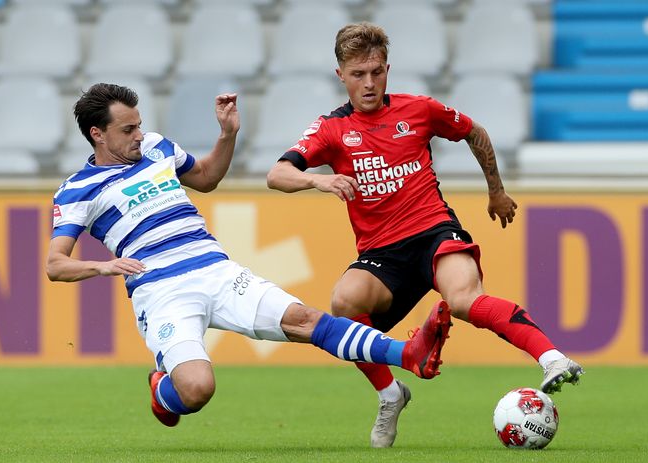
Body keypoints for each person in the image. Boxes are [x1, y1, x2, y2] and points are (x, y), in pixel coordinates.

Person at [46, 83, 449, 430]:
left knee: (304, 320)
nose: (139, 134)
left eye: (139, 124)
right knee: (197, 389)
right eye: (128, 129)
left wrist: (227, 135)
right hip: (161, 289)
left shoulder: (155, 148)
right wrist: (104, 266)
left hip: (215, 269)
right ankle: (161, 389)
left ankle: (407, 354)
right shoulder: (77, 190)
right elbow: (55, 264)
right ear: (98, 134)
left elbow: (206, 178)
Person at [266, 22, 585, 448]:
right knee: (343, 305)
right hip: (383, 256)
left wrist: (497, 191)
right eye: (358, 74)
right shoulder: (330, 130)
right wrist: (318, 182)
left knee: (465, 300)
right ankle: (390, 393)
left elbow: (475, 132)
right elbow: (277, 174)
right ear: (340, 75)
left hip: (434, 231)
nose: (369, 82)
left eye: (377, 71)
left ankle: (552, 358)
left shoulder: (419, 109)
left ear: (388, 69)